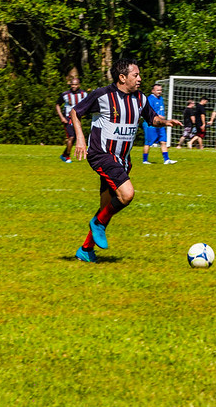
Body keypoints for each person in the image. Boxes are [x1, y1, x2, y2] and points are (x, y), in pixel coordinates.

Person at [69, 58, 182, 262]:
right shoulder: (102, 95)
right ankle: (98, 224)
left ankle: (85, 250)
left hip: (122, 159)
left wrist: (165, 121)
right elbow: (75, 111)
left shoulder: (140, 98)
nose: (140, 78)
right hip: (102, 154)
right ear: (122, 77)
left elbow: (152, 118)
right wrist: (80, 138)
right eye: (135, 75)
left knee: (107, 207)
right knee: (127, 194)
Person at [141, 83, 177, 165]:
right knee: (148, 143)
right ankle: (145, 160)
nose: (159, 92)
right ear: (153, 90)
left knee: (163, 141)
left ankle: (166, 159)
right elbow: (149, 112)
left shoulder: (161, 99)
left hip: (160, 124)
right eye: (158, 90)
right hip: (150, 124)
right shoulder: (149, 99)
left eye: (160, 90)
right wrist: (158, 116)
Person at [55, 77, 87, 163]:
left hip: (77, 119)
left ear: (79, 85)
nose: (73, 86)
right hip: (68, 119)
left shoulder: (84, 94)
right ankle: (67, 157)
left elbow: (87, 104)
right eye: (72, 84)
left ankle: (64, 155)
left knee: (75, 138)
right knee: (71, 137)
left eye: (75, 84)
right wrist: (62, 117)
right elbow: (57, 105)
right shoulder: (65, 95)